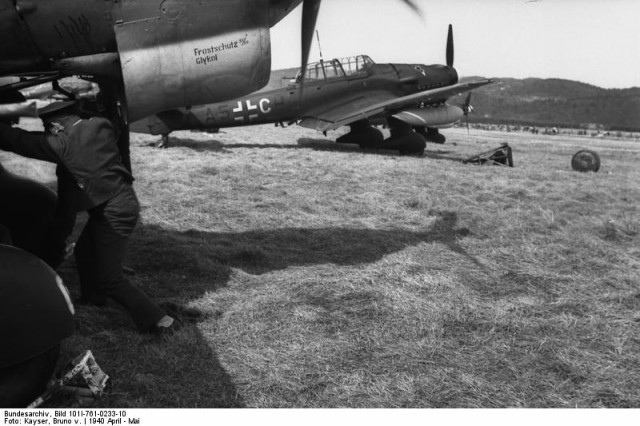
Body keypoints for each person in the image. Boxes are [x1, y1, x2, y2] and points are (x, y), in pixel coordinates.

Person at [0, 100, 174, 334]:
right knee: (84, 252)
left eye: (46, 125)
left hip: (115, 213)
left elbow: (17, 140)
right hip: (120, 202)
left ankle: (160, 320)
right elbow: (115, 119)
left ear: (52, 124)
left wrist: (52, 249)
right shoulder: (99, 125)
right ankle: (93, 299)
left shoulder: (62, 144)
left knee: (110, 279)